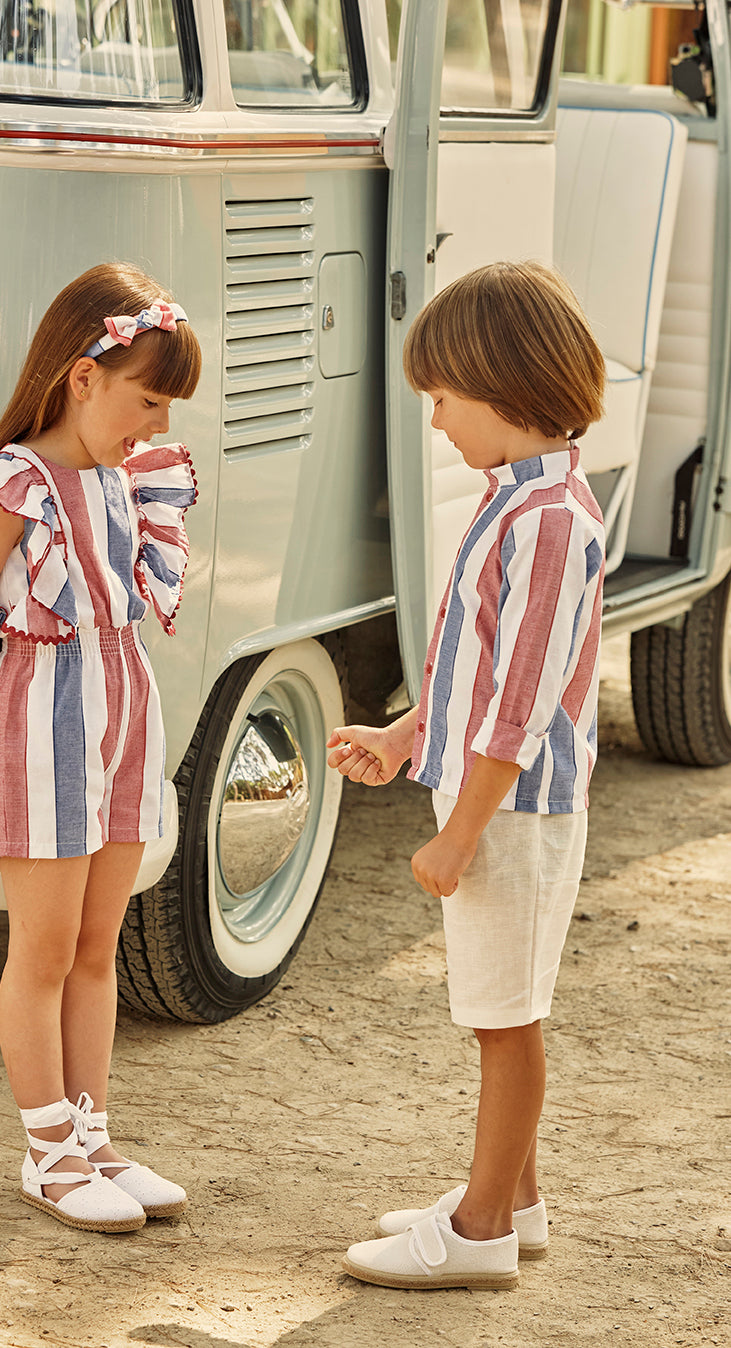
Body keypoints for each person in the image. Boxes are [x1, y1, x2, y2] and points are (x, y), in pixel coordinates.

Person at [327, 260, 606, 1290]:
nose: (436, 420)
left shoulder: (546, 523)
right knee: (501, 1006)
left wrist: (456, 833)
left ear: (501, 384)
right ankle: (514, 1203)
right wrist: (405, 739)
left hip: (511, 813)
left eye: (442, 399)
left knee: (503, 1020)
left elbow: (520, 704)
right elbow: (476, 671)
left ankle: (482, 1225)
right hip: (494, 802)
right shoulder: (518, 501)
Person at [0, 262, 201, 1234]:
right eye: (146, 400)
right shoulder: (14, 484)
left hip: (123, 705)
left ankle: (91, 1135)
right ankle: (46, 1151)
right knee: (40, 947)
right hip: (39, 715)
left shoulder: (122, 478)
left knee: (94, 943)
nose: (155, 425)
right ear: (82, 376)